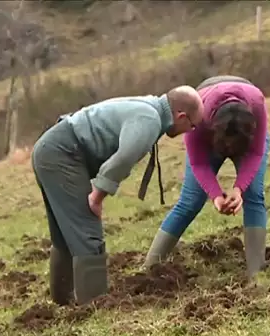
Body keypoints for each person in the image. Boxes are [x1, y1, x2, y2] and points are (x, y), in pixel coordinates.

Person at [31, 85, 204, 306]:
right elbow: (124, 158)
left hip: (51, 148)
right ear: (181, 116)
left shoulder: (148, 106)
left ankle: (63, 301)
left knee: (65, 235)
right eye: (192, 125)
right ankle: (94, 306)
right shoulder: (149, 119)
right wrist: (97, 196)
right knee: (88, 233)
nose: (191, 131)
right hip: (63, 153)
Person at [143, 75, 270, 280]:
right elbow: (199, 163)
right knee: (190, 202)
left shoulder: (256, 104)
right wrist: (216, 196)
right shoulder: (198, 114)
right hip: (209, 123)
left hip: (244, 126)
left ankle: (256, 272)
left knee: (254, 195)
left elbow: (255, 153)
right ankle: (150, 268)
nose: (230, 150)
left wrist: (239, 189)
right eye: (226, 146)